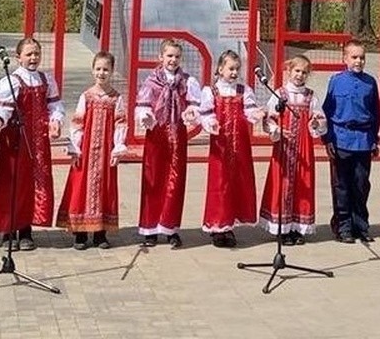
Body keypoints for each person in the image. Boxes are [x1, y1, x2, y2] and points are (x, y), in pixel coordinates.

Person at [0, 37, 63, 251]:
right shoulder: (12, 80)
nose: (33, 58)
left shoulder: (47, 79)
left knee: (33, 184)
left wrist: (55, 121)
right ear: (18, 58)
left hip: (37, 143)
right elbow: (3, 107)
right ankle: (8, 231)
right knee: (12, 183)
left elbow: (55, 105)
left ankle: (26, 229)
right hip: (14, 141)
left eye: (36, 53)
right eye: (29, 54)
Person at [55, 51, 127, 250]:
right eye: (98, 69)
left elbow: (121, 124)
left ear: (112, 71)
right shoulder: (86, 96)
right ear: (92, 70)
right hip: (86, 151)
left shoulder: (116, 98)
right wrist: (75, 147)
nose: (101, 73)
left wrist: (117, 147)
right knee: (81, 187)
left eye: (106, 69)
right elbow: (77, 123)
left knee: (104, 188)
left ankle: (99, 233)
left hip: (105, 152)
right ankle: (79, 232)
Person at [135, 38, 202, 249]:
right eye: (169, 56)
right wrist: (145, 116)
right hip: (156, 134)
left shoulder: (188, 81)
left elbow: (194, 105)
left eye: (176, 56)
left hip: (177, 134)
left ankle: (170, 227)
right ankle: (150, 228)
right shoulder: (151, 82)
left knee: (175, 181)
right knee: (153, 180)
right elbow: (142, 104)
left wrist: (191, 112)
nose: (173, 60)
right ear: (160, 57)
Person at [259, 55, 326, 246]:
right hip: (284, 147)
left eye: (304, 72)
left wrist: (315, 122)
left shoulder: (311, 96)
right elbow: (269, 118)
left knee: (302, 183)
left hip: (303, 148)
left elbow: (320, 118)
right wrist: (277, 130)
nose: (300, 75)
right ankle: (282, 228)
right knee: (282, 184)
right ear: (289, 71)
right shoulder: (280, 94)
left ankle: (297, 227)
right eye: (297, 71)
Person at [198, 50, 262, 248]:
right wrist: (211, 123)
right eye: (230, 68)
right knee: (220, 185)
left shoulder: (244, 90)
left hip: (240, 147)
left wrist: (257, 114)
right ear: (220, 69)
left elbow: (250, 111)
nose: (234, 73)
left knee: (237, 184)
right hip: (221, 146)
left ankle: (230, 225)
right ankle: (218, 227)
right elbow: (205, 114)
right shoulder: (211, 91)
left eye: (237, 69)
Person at [322, 39, 380, 244]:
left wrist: (374, 139)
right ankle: (343, 226)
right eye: (354, 57)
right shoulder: (336, 81)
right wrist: (327, 138)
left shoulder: (370, 82)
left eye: (362, 57)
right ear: (345, 59)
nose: (359, 61)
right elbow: (327, 112)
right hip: (341, 139)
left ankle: (361, 226)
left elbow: (376, 112)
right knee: (342, 186)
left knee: (361, 184)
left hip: (363, 141)